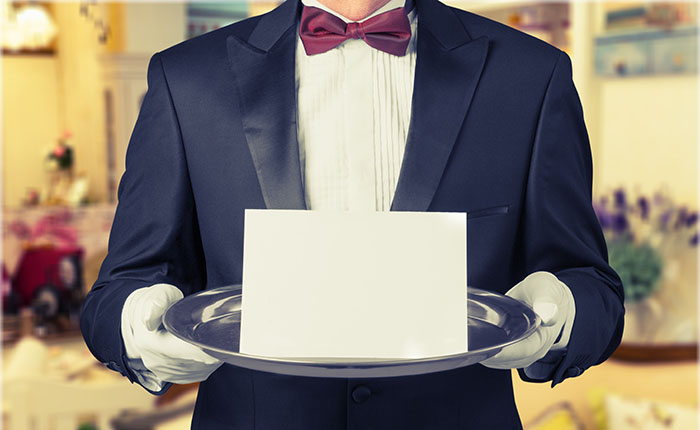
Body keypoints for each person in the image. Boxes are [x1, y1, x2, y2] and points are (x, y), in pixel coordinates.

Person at [80, 0, 625, 428]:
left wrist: (557, 311)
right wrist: (137, 324)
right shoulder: (187, 80)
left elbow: (595, 289)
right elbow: (116, 292)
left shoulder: (530, 76)